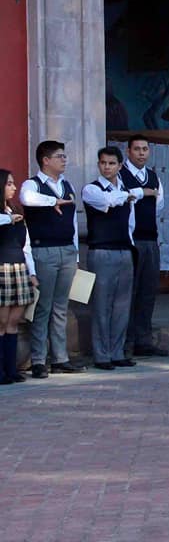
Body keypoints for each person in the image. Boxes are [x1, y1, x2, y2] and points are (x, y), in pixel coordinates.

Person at [19, 141, 84, 377]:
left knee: (61, 306)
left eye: (64, 156)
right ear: (45, 160)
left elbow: (74, 223)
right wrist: (52, 201)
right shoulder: (33, 184)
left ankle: (60, 358)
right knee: (42, 307)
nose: (64, 160)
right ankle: (38, 359)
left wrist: (75, 252)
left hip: (66, 250)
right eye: (59, 156)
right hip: (43, 251)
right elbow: (26, 199)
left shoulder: (67, 185)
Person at [82, 146, 140, 371]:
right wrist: (127, 195)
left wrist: (131, 246)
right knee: (101, 305)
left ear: (120, 166)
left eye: (111, 163)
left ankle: (117, 352)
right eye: (103, 163)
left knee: (122, 306)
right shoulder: (91, 189)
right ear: (98, 165)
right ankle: (101, 354)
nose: (107, 167)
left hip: (124, 250)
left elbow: (130, 223)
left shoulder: (125, 190)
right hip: (102, 251)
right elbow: (108, 201)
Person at [119, 134, 167, 357]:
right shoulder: (120, 174)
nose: (141, 153)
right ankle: (125, 342)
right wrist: (140, 193)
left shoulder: (153, 176)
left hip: (150, 239)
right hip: (129, 240)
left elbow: (159, 206)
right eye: (136, 149)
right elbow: (118, 198)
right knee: (129, 293)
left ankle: (144, 340)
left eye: (145, 149)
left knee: (148, 292)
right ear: (128, 151)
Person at [0, 170, 37, 383]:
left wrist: (31, 273)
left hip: (19, 268)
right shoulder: (6, 216)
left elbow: (27, 247)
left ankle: (11, 369)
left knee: (14, 321)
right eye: (9, 184)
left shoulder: (16, 211)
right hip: (2, 268)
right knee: (2, 322)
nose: (14, 187)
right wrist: (7, 219)